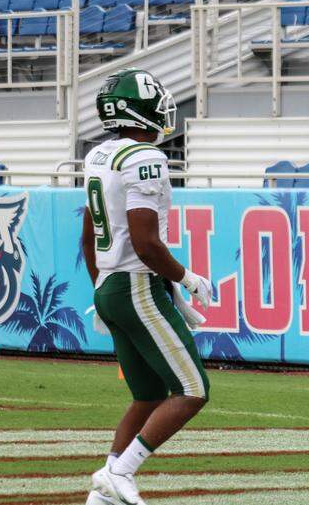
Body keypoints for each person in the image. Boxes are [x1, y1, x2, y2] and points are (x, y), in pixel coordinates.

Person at [82, 68, 212, 505]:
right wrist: (186, 278)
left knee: (148, 396)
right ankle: (120, 471)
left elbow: (88, 235)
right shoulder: (143, 157)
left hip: (113, 284)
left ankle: (102, 495)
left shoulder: (99, 155)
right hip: (136, 286)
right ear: (136, 112)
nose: (161, 111)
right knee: (192, 390)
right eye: (154, 103)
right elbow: (146, 243)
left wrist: (102, 287)